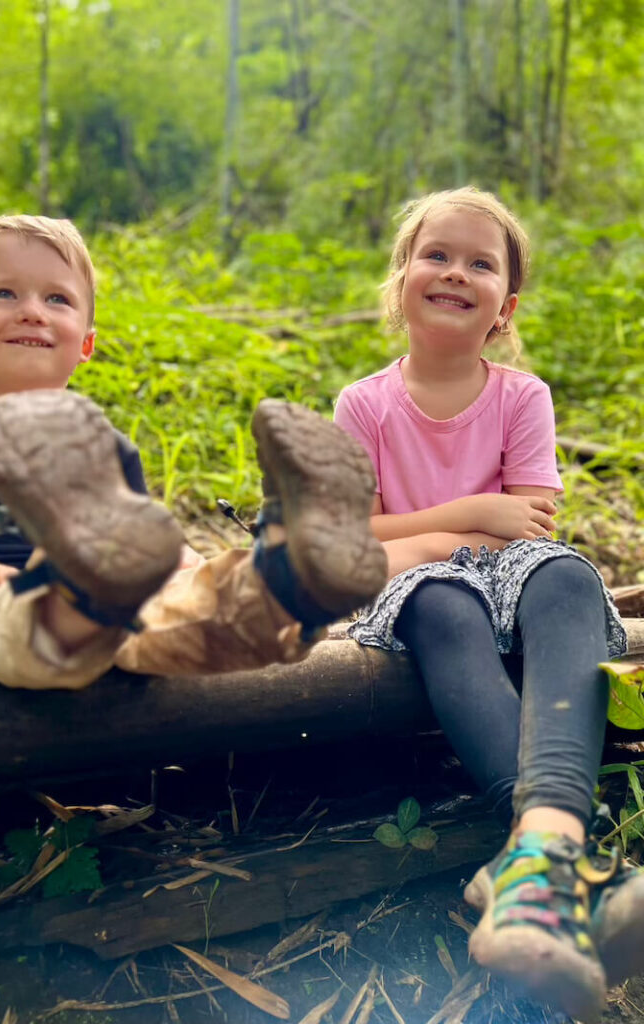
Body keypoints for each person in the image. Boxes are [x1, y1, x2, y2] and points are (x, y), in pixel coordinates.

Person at [333, 187, 638, 1021]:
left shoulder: (520, 397)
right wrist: (463, 522)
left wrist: (433, 534)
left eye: (479, 263)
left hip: (516, 573)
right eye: (436, 255)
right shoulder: (364, 406)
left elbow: (532, 532)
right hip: (419, 591)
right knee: (441, 600)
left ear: (504, 308)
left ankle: (541, 848)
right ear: (400, 280)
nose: (455, 273)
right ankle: (561, 872)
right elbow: (357, 543)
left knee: (569, 575)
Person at [0, 214, 387, 692]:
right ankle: (73, 593)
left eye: (57, 299)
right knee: (59, 618)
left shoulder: (106, 450)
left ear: (86, 344)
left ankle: (275, 591)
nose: (31, 311)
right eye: (4, 293)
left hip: (108, 625)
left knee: (170, 619)